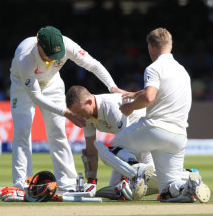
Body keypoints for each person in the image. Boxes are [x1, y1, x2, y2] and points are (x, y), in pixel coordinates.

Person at [94, 28, 211, 203]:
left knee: (108, 147)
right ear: (170, 46)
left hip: (156, 128)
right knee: (167, 191)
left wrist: (131, 107)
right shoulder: (182, 71)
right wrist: (136, 94)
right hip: (179, 136)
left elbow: (149, 97)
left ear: (151, 47)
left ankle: (138, 171)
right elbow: (159, 92)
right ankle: (189, 187)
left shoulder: (154, 68)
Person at [9, 26, 125, 191]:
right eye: (48, 55)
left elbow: (93, 65)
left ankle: (67, 182)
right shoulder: (24, 57)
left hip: (52, 83)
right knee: (22, 131)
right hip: (23, 87)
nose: (52, 59)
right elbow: (36, 96)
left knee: (57, 131)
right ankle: (22, 183)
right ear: (39, 46)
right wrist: (66, 112)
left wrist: (112, 87)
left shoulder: (67, 45)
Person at [66, 85, 196, 200]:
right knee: (115, 189)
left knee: (111, 153)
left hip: (146, 136)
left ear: (89, 102)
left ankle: (185, 175)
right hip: (132, 144)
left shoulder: (111, 107)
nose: (79, 117)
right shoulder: (86, 116)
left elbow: (124, 144)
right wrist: (91, 181)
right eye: (76, 113)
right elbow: (90, 150)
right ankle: (185, 180)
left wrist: (125, 180)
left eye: (80, 112)